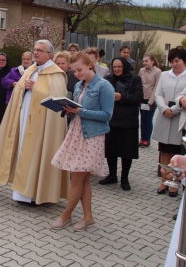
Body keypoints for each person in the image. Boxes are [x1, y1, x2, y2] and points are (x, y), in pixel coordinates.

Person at [0, 40, 70, 205]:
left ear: (49, 54)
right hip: (24, 119)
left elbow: (58, 99)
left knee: (38, 155)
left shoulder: (56, 74)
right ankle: (20, 194)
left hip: (42, 125)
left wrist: (36, 88)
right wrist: (23, 88)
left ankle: (37, 194)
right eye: (35, 49)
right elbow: (17, 89)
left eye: (40, 50)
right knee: (22, 151)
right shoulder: (31, 69)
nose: (35, 53)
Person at [51, 52, 114, 230]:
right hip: (77, 131)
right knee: (83, 179)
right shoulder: (79, 85)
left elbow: (107, 115)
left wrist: (80, 112)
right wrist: (70, 110)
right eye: (74, 71)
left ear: (90, 65)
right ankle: (87, 217)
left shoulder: (104, 86)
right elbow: (79, 107)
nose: (77, 74)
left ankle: (66, 216)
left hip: (92, 136)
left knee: (77, 179)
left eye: (79, 70)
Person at [100, 57, 143, 191]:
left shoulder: (135, 79)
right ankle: (112, 175)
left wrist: (121, 97)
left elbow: (138, 98)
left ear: (124, 66)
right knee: (111, 149)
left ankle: (125, 178)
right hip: (112, 118)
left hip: (128, 120)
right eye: (114, 67)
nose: (117, 69)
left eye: (119, 67)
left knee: (126, 151)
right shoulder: (108, 79)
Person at [152, 46, 186, 197]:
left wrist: (174, 110)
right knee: (165, 151)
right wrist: (163, 108)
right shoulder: (165, 75)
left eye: (177, 61)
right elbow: (158, 93)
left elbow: (185, 96)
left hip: (179, 118)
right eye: (172, 61)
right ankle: (164, 181)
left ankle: (174, 184)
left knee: (177, 152)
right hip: (164, 116)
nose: (174, 64)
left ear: (184, 61)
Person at [138, 55, 161, 147]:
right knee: (142, 119)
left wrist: (151, 100)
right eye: (143, 61)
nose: (144, 63)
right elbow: (138, 84)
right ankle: (142, 138)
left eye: (146, 61)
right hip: (142, 98)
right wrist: (139, 98)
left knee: (148, 119)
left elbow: (157, 86)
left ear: (152, 62)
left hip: (151, 98)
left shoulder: (158, 72)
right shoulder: (141, 71)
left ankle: (147, 138)